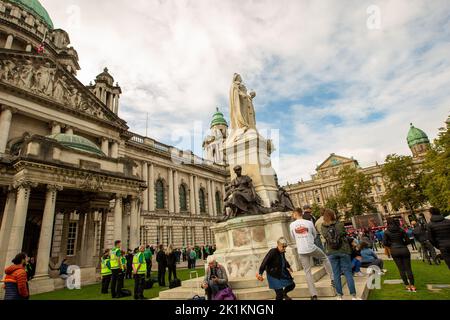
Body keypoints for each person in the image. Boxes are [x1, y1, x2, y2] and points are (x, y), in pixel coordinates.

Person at [289, 208, 333, 300]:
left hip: (301, 250)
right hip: (311, 247)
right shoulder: (308, 223)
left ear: (296, 214)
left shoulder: (292, 225)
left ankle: (314, 295)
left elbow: (293, 237)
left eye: (293, 214)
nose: (292, 215)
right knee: (325, 258)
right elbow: (314, 234)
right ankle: (333, 278)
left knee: (307, 272)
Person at [321, 208, 361, 300]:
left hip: (331, 252)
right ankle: (353, 296)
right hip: (343, 250)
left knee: (336, 274)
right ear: (333, 215)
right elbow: (344, 234)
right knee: (348, 273)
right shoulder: (339, 224)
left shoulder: (323, 226)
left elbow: (325, 236)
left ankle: (339, 295)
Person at [383, 217, 416, 292]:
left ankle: (407, 285)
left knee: (401, 269)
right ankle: (412, 285)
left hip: (394, 250)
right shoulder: (401, 230)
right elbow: (408, 240)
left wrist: (391, 245)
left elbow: (384, 243)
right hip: (403, 249)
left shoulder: (387, 232)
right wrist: (403, 244)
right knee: (408, 268)